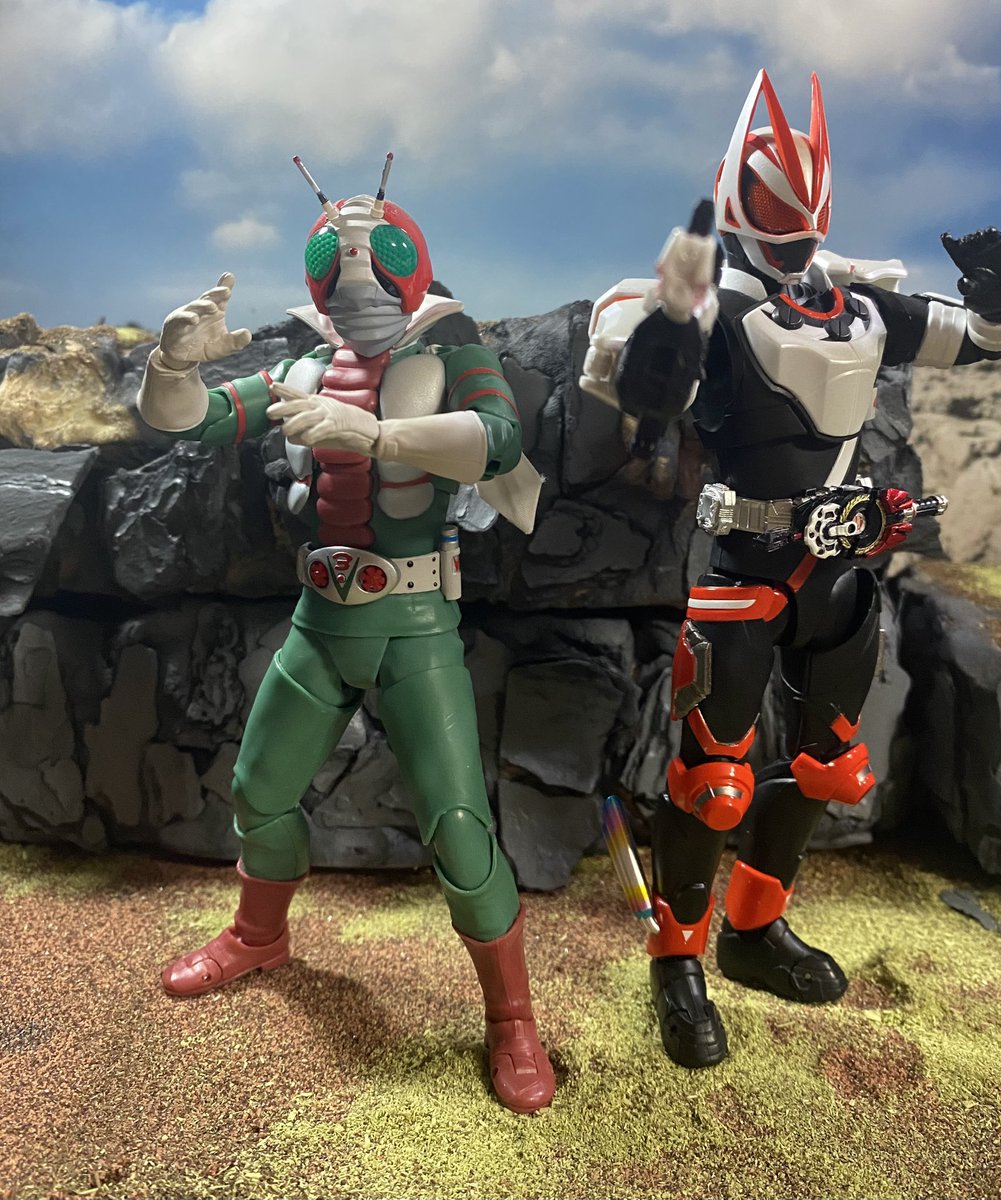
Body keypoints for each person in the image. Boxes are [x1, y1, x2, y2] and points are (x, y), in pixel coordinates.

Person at [581, 69, 1001, 1068]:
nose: (788, 238)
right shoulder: (702, 302)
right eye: (771, 212)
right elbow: (633, 383)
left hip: (837, 576)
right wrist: (668, 325)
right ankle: (676, 960)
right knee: (713, 782)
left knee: (829, 765)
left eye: (800, 216)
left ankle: (753, 930)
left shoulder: (858, 301)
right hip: (739, 574)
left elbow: (987, 341)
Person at [137, 156, 554, 1113]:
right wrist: (173, 366)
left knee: (459, 830)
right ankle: (260, 935)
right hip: (321, 620)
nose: (358, 274)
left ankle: (512, 1016)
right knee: (259, 790)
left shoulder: (452, 351)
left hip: (416, 628)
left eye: (378, 254)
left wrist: (375, 437)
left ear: (413, 260)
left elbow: (497, 439)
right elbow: (197, 422)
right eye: (339, 256)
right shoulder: (305, 365)